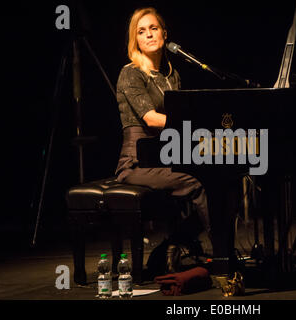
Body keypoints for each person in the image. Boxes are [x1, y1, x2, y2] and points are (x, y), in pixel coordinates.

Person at [114, 7, 211, 275]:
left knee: (222, 177)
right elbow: (152, 119)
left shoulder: (171, 75)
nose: (148, 35)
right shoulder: (131, 73)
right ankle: (221, 254)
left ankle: (176, 242)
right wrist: (197, 126)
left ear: (164, 33)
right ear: (135, 40)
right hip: (137, 162)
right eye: (141, 31)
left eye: (153, 28)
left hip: (167, 154)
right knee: (198, 182)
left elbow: (180, 117)